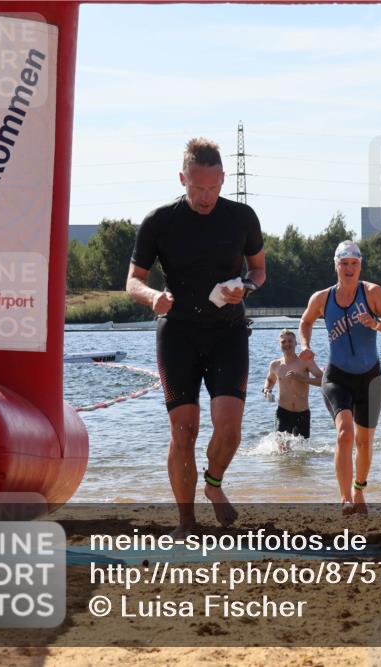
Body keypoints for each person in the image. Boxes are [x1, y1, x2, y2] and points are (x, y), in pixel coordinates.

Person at [126, 137, 265, 538]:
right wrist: (153, 297)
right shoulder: (159, 221)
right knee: (183, 431)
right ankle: (186, 522)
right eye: (196, 188)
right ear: (182, 178)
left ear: (223, 179)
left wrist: (246, 288)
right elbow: (133, 281)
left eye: (212, 187)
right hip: (178, 335)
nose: (205, 197)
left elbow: (258, 271)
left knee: (229, 428)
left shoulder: (242, 217)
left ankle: (214, 483)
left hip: (228, 332)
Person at [299, 240, 381, 514]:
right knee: (345, 433)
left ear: (360, 266)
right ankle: (345, 498)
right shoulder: (321, 298)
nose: (349, 269)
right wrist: (305, 345)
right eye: (344, 264)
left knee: (364, 442)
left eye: (354, 264)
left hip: (370, 378)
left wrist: (376, 324)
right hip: (337, 377)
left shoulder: (372, 293)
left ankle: (359, 490)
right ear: (336, 266)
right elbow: (305, 321)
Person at [263, 329, 323, 439]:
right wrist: (267, 389)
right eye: (283, 342)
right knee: (282, 448)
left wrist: (301, 378)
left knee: (302, 451)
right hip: (282, 412)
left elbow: (323, 380)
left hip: (302, 413)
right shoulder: (275, 365)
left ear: (296, 343)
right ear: (280, 344)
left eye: (290, 341)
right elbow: (270, 380)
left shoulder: (305, 362)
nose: (287, 344)